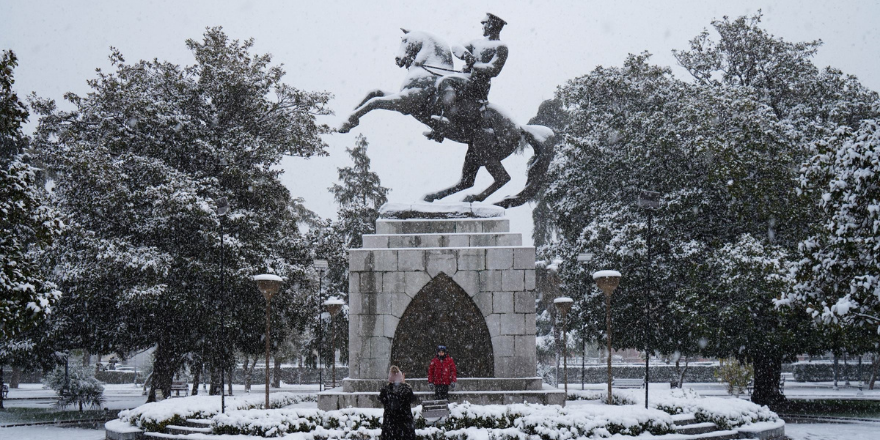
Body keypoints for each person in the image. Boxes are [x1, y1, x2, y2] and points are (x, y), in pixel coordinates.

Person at [427, 13, 509, 142]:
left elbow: (494, 70)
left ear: (493, 25)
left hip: (479, 84)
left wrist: (474, 65)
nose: (483, 26)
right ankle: (442, 116)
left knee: (446, 81)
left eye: (485, 23)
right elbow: (455, 47)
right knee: (440, 80)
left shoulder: (501, 47)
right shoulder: (476, 43)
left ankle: (445, 120)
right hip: (466, 79)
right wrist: (465, 55)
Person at [379, 365, 417, 440]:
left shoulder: (385, 391)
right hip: (405, 427)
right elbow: (412, 399)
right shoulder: (407, 390)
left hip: (390, 427)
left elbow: (382, 399)